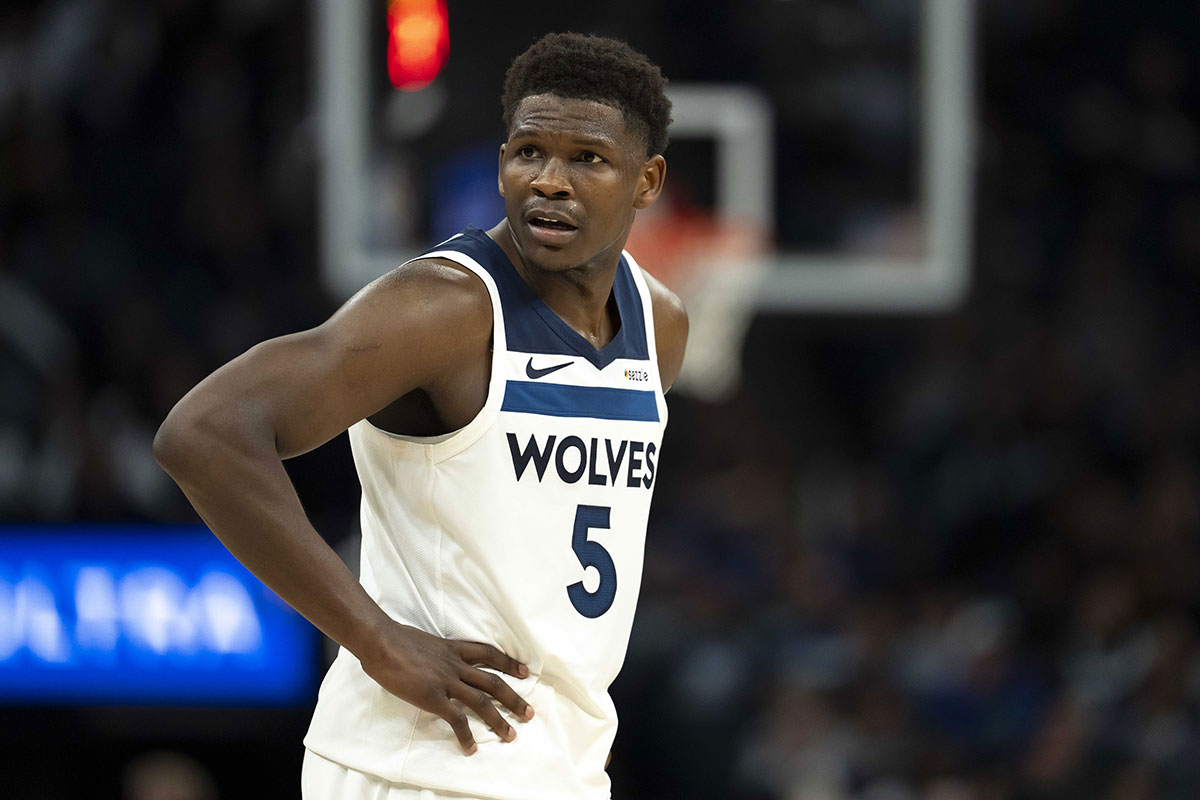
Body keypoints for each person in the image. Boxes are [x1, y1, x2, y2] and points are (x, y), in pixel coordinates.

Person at [154, 31, 687, 800]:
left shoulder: (658, 324)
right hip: (415, 765)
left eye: (588, 160)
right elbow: (203, 434)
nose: (549, 181)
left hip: (562, 765)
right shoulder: (445, 307)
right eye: (528, 151)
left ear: (647, 181)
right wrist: (376, 642)